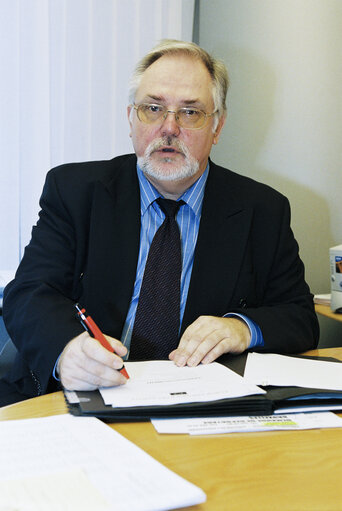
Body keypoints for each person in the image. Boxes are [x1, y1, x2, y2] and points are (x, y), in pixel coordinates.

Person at [1, 40, 319, 406]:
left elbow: (299, 317)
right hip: (83, 396)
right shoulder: (75, 191)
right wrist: (67, 350)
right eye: (153, 108)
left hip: (200, 406)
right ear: (131, 119)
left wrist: (240, 328)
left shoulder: (262, 209)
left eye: (190, 112)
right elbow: (28, 292)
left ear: (217, 127)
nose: (169, 128)